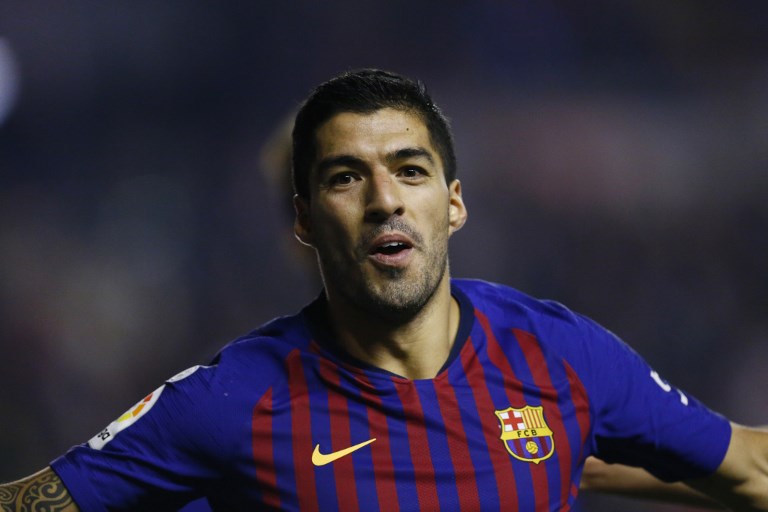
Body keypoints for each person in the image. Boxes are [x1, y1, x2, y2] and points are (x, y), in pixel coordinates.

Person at [2, 69, 767, 511]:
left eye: (409, 170)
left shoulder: (557, 354)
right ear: (302, 223)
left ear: (454, 202)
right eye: (345, 178)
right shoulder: (231, 403)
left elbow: (745, 468)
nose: (385, 200)